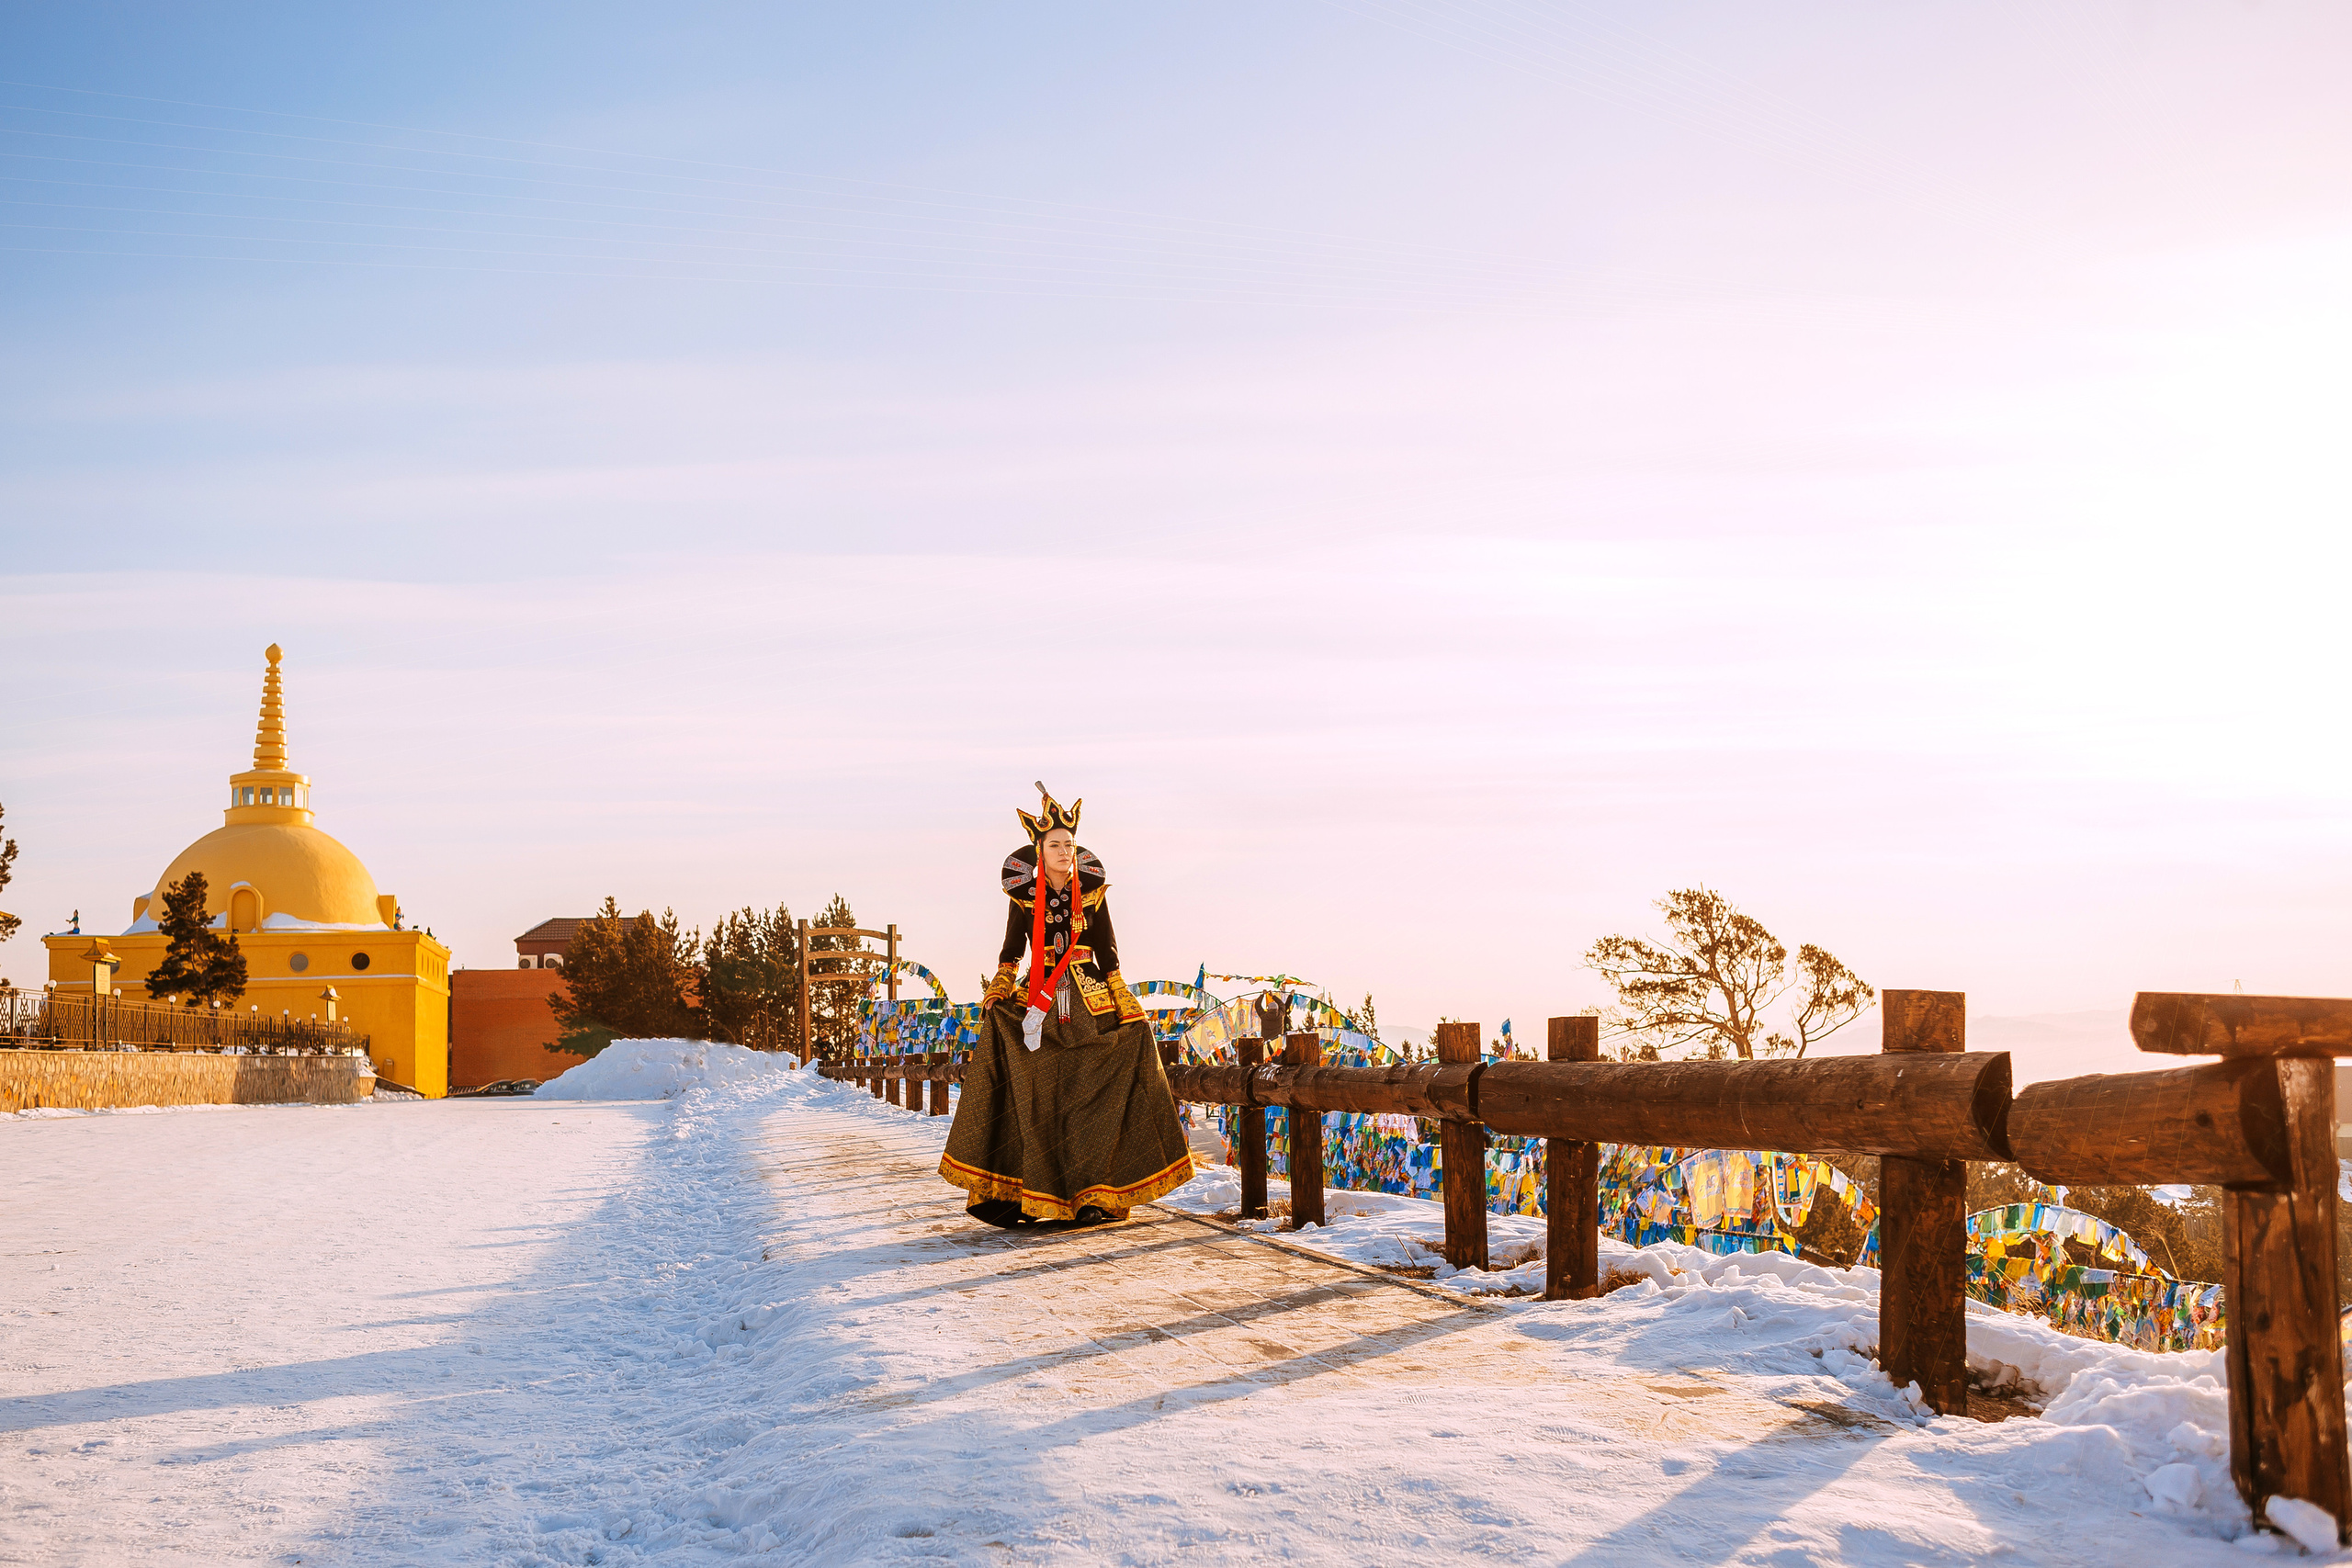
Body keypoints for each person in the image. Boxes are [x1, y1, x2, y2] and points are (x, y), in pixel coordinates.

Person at [939, 785, 1193, 1227]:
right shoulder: (1024, 897)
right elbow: (1011, 951)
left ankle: (1097, 1194)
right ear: (1039, 850)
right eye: (1054, 844)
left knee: (1113, 1065)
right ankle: (1015, 1196)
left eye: (1068, 845)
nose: (1063, 851)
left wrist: (1122, 998)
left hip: (1088, 993)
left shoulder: (1093, 893)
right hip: (1037, 996)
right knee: (1031, 1084)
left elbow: (1109, 952)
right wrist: (999, 988)